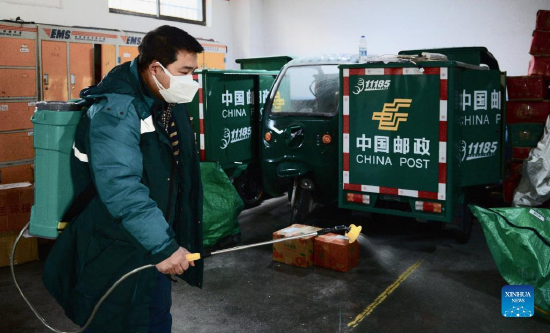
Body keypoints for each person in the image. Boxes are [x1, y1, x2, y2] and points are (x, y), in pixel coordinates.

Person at [42, 25, 205, 333]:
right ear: (155, 67)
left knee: (154, 316)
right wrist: (163, 247)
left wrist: (168, 240)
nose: (190, 81)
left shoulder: (162, 100)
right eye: (184, 72)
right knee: (117, 320)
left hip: (150, 238)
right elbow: (121, 186)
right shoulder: (115, 111)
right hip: (116, 246)